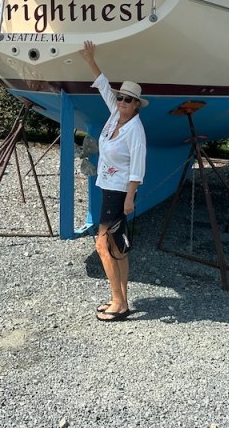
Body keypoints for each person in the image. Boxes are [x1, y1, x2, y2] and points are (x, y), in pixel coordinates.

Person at [80, 40, 147, 322]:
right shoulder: (114, 116)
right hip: (108, 189)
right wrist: (90, 59)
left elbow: (138, 168)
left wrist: (130, 198)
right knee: (118, 246)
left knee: (102, 245)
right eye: (120, 98)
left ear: (136, 105)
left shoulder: (135, 130)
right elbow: (104, 87)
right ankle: (121, 300)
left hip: (119, 193)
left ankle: (119, 304)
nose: (121, 102)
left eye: (128, 100)